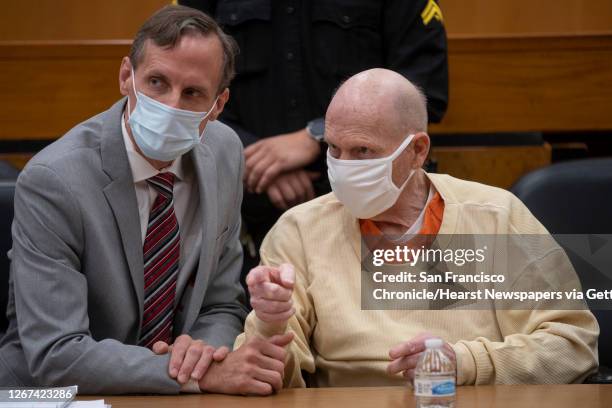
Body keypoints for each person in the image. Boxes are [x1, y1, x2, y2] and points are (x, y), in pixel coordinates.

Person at [237, 69, 599, 387]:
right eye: (334, 148)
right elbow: (270, 379)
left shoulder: (495, 216)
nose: (344, 167)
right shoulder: (300, 230)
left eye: (363, 151)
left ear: (417, 151)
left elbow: (572, 346)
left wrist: (465, 364)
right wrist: (271, 324)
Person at [0, 5, 291, 395]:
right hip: (58, 396)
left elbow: (221, 305)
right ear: (126, 77)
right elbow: (56, 355)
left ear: (218, 105)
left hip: (176, 395)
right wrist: (194, 374)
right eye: (156, 82)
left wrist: (203, 350)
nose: (170, 106)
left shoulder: (224, 152)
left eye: (192, 93)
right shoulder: (53, 180)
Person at [179, 0, 449, 272]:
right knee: (261, 307)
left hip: (374, 206)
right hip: (243, 208)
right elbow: (183, 86)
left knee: (395, 311)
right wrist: (255, 158)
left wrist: (316, 137)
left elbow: (424, 91)